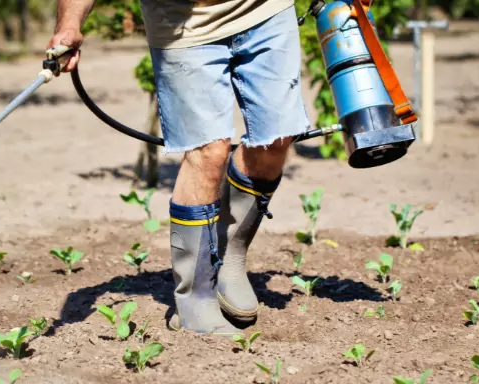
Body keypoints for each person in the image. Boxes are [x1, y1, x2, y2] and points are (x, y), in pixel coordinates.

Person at [49, 0, 311, 336]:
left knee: (275, 139)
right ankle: (195, 296)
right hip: (184, 25)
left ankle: (228, 259)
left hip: (266, 10)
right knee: (208, 152)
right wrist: (69, 24)